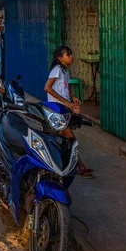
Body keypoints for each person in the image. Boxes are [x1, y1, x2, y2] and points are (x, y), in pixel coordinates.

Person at [44, 46, 94, 179]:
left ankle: (57, 164)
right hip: (56, 110)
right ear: (60, 58)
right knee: (71, 139)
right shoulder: (56, 70)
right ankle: (79, 166)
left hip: (63, 110)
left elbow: (63, 88)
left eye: (71, 54)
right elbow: (47, 88)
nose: (71, 56)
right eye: (68, 55)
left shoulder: (64, 71)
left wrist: (72, 97)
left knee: (59, 139)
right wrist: (66, 102)